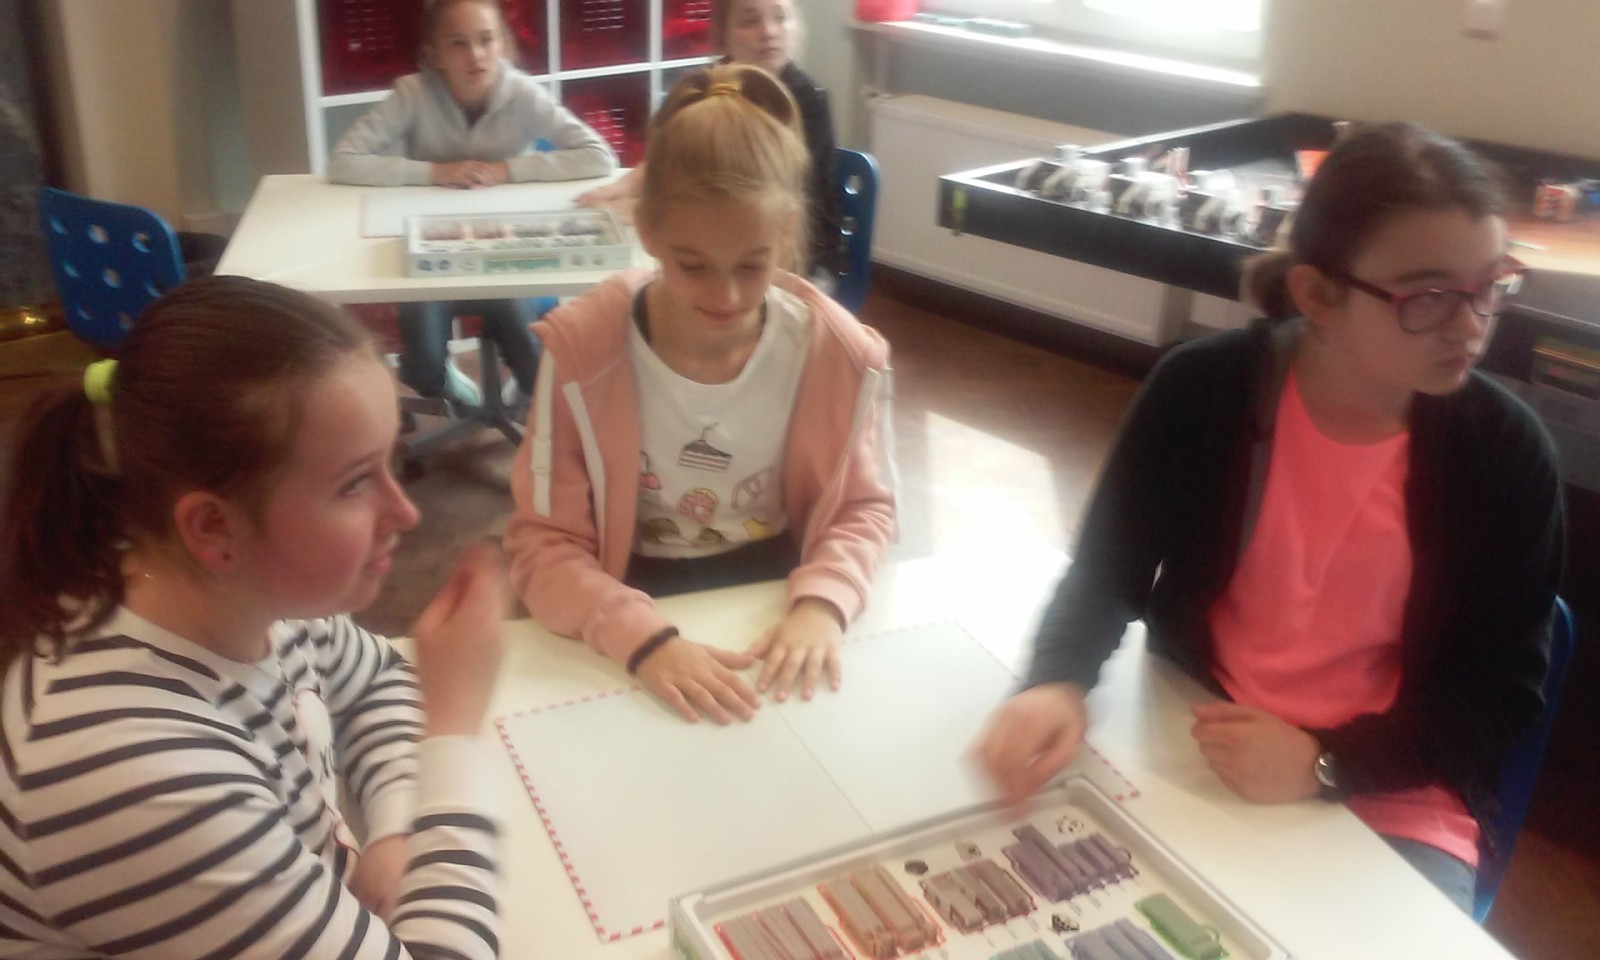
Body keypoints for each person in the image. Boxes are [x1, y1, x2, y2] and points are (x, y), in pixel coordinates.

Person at [975, 124, 1564, 912]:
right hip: (1195, 733)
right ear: (1317, 295)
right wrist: (1057, 679)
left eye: (1491, 285)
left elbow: (1499, 698)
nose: (1472, 326)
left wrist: (1325, 762)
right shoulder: (1205, 390)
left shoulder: (1504, 453)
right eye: (1429, 298)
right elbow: (1110, 568)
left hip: (1393, 790)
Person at [0, 277, 507, 956]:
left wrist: (397, 830)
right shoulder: (126, 770)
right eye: (355, 482)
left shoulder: (249, 594)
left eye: (390, 463)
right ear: (213, 527)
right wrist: (453, 733)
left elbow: (376, 680)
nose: (406, 513)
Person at [505, 64, 894, 725]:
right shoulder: (581, 353)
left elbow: (863, 511)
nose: (727, 296)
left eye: (752, 264)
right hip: (629, 586)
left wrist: (823, 603)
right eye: (693, 266)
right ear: (648, 231)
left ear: (787, 233)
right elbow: (543, 543)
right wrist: (642, 640)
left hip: (777, 586)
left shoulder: (837, 354)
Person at [329, 0, 618, 413]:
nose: (476, 55)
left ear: (503, 44)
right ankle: (449, 384)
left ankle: (522, 393)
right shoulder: (412, 94)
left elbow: (598, 156)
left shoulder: (521, 92)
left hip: (505, 249)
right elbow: (343, 161)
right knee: (422, 367)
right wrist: (433, 172)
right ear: (434, 55)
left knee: (533, 357)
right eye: (458, 44)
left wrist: (507, 170)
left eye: (486, 40)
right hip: (431, 254)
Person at [577, 0, 841, 284]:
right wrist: (624, 186)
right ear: (722, 36)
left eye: (781, 18)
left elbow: (754, 195)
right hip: (720, 240)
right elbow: (673, 149)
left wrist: (650, 209)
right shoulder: (711, 86)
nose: (769, 32)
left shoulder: (809, 101)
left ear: (798, 28)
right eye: (750, 21)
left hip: (791, 259)